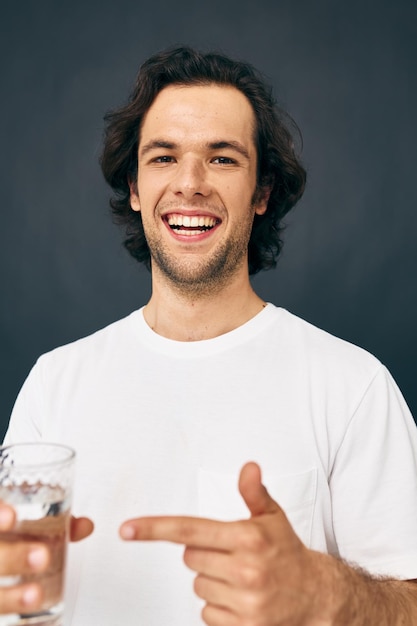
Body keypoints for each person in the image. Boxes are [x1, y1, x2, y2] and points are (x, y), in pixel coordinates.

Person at [1, 45, 417, 625]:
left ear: (262, 192)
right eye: (164, 158)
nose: (190, 184)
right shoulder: (53, 385)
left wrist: (332, 596)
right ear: (137, 188)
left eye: (222, 159)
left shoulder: (355, 387)